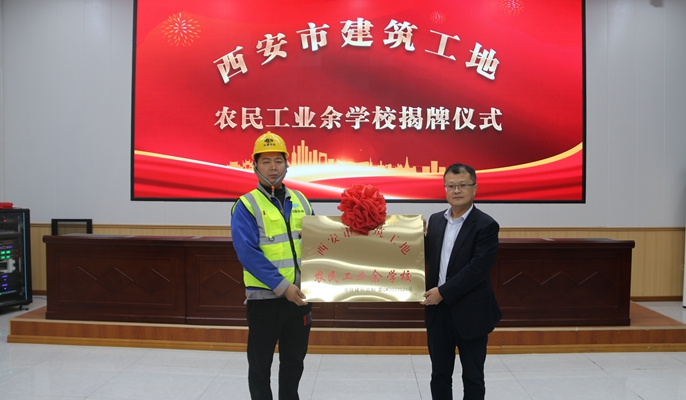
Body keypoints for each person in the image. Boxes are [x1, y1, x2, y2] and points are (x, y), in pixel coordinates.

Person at [231, 131, 314, 400]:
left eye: (278, 160)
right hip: (264, 301)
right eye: (265, 161)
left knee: (294, 365)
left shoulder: (302, 201)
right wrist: (283, 286)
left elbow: (320, 244)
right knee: (260, 368)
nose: (273, 167)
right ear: (255, 165)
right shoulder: (246, 205)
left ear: (287, 164)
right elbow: (248, 253)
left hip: (300, 299)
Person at [420, 163, 502, 400]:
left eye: (463, 185)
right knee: (439, 374)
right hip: (438, 312)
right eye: (451, 186)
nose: (457, 190)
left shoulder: (486, 225)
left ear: (475, 188)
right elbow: (428, 257)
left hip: (471, 311)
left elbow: (477, 270)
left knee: (473, 377)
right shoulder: (436, 220)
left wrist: (442, 292)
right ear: (445, 188)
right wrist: (417, 238)